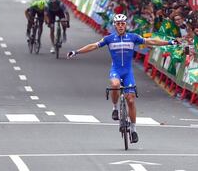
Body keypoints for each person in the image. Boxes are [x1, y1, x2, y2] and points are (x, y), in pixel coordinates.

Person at [67, 13, 180, 143]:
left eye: (122, 23)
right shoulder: (109, 38)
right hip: (116, 70)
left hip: (128, 72)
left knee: (131, 100)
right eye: (118, 24)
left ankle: (133, 129)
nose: (120, 26)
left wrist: (170, 42)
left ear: (126, 25)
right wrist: (76, 51)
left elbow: (151, 41)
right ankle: (115, 108)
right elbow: (93, 45)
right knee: (115, 85)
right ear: (115, 25)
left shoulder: (132, 37)